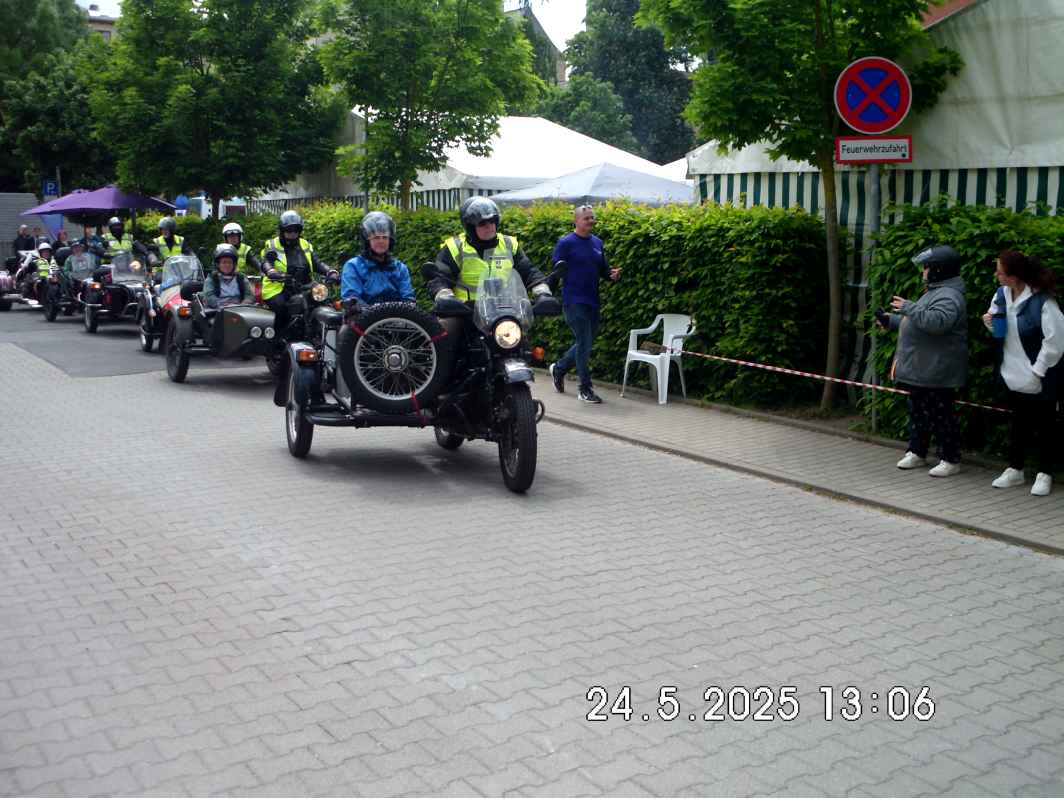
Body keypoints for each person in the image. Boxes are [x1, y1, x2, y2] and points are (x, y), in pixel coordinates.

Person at [876, 244, 968, 477]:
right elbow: (919, 321)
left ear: (939, 270)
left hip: (938, 371)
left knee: (941, 415)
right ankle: (917, 452)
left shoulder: (950, 296)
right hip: (923, 369)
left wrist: (909, 307)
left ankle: (950, 458)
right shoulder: (934, 291)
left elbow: (937, 323)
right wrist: (892, 320)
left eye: (926, 267)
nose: (923, 272)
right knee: (918, 412)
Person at [980, 251, 1064, 496]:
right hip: (1011, 372)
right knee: (1017, 423)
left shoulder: (1043, 302)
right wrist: (988, 321)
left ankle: (1044, 473)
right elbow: (997, 327)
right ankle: (1015, 469)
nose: (996, 274)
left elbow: (1056, 342)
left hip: (1040, 374)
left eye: (1000, 271)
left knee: (1046, 425)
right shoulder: (1001, 295)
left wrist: (1038, 371)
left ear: (1015, 276)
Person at [428, 197, 553, 347]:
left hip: (505, 310)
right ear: (469, 226)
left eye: (492, 221)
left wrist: (543, 293)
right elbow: (440, 277)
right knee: (444, 336)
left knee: (523, 344)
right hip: (465, 312)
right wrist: (444, 296)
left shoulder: (509, 245)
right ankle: (439, 370)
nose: (489, 226)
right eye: (482, 223)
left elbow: (529, 271)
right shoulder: (455, 247)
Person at [547, 204, 621, 403]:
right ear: (577, 221)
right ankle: (584, 389)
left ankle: (559, 368)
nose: (591, 221)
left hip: (593, 301)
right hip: (573, 300)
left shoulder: (597, 242)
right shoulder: (566, 243)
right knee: (584, 342)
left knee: (585, 343)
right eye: (587, 218)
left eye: (592, 218)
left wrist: (612, 275)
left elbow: (603, 270)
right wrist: (547, 293)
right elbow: (556, 269)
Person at [259, 210, 337, 332]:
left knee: (324, 298)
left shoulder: (305, 244)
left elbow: (317, 263)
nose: (292, 233)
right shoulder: (272, 244)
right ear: (282, 230)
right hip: (278, 287)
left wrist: (330, 271)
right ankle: (277, 338)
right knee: (281, 309)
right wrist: (271, 271)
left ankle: (320, 331)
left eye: (296, 230)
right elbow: (266, 261)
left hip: (304, 285)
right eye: (289, 230)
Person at [340, 211, 415, 311]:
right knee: (347, 325)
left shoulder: (400, 268)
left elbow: (408, 299)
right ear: (367, 241)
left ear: (390, 241)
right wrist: (371, 312)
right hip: (362, 321)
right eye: (376, 237)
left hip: (396, 319)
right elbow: (352, 298)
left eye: (385, 237)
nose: (381, 241)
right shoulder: (353, 266)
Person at [203, 243, 254, 351]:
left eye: (230, 262)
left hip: (239, 308)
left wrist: (245, 303)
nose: (227, 265)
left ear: (234, 264)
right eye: (224, 262)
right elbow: (209, 296)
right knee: (214, 322)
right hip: (218, 309)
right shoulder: (211, 278)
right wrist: (221, 305)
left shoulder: (241, 277)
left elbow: (249, 295)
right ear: (218, 264)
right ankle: (217, 343)